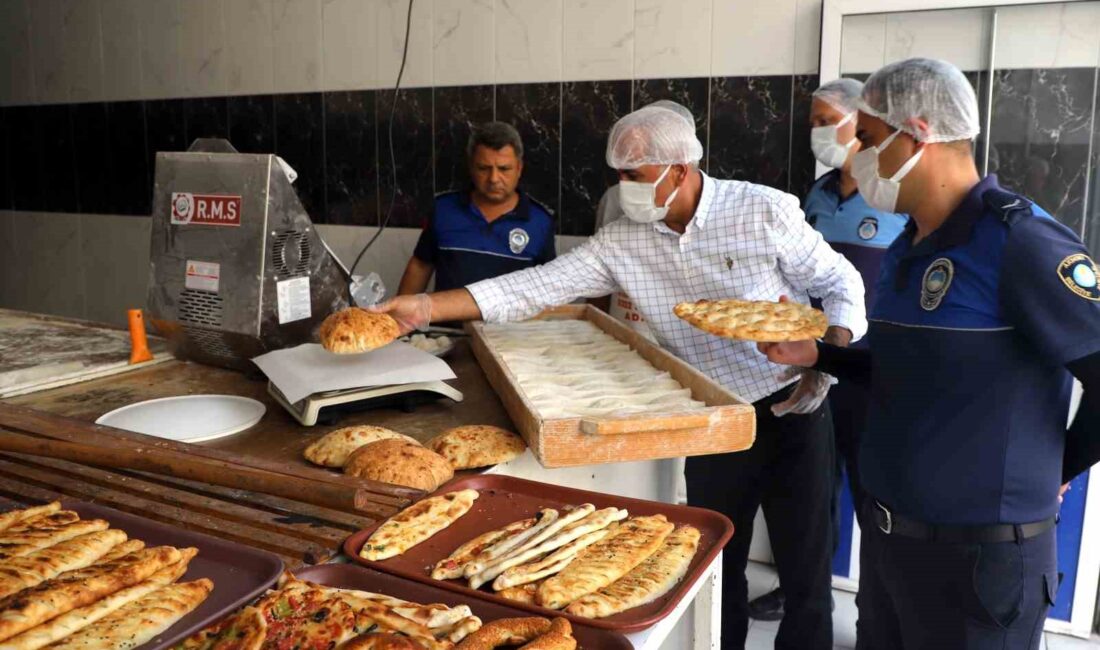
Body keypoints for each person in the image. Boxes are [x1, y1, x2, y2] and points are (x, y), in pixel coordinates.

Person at [375, 105, 867, 649]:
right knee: (718, 566)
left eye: (633, 175)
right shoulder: (625, 240)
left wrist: (825, 355)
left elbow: (840, 282)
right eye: (619, 174)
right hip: (710, 422)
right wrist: (424, 307)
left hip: (792, 406)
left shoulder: (760, 212)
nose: (623, 187)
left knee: (806, 567)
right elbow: (534, 287)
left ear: (679, 169)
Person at [758, 58, 1100, 650]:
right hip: (892, 547)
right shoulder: (909, 243)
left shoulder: (1019, 243)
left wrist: (1057, 469)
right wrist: (820, 356)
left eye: (865, 137)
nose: (856, 153)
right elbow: (906, 367)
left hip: (981, 566)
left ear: (915, 133)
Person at [748, 78, 908, 623]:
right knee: (814, 493)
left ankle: (875, 608)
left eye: (826, 121)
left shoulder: (894, 193)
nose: (817, 132)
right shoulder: (814, 195)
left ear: (860, 124)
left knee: (872, 491)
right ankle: (801, 589)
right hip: (811, 361)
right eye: (812, 122)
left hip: (869, 367)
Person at [396, 121, 556, 295]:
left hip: (510, 323)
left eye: (504, 169)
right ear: (471, 167)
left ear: (519, 168)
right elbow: (420, 266)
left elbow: (548, 289)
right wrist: (397, 320)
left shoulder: (540, 221)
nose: (494, 178)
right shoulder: (444, 210)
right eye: (484, 168)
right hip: (447, 322)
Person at [592, 99, 698, 342]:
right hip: (624, 334)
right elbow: (596, 273)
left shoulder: (705, 211)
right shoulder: (614, 199)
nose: (626, 184)